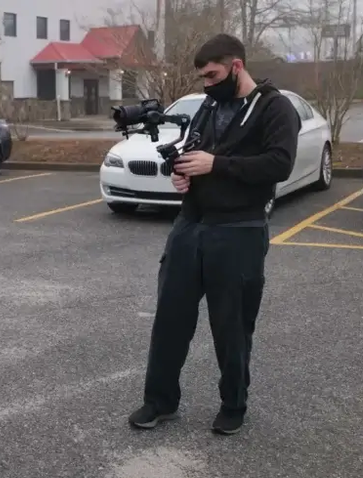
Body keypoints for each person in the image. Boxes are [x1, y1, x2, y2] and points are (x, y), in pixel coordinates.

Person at [127, 33, 300, 435]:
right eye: (203, 77)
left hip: (239, 230)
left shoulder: (275, 108)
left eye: (212, 74)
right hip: (190, 226)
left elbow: (279, 164)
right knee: (170, 318)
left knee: (232, 324)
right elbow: (195, 152)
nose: (207, 83)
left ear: (235, 66)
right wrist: (181, 174)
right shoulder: (209, 105)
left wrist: (216, 165)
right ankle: (160, 401)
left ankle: (233, 404)